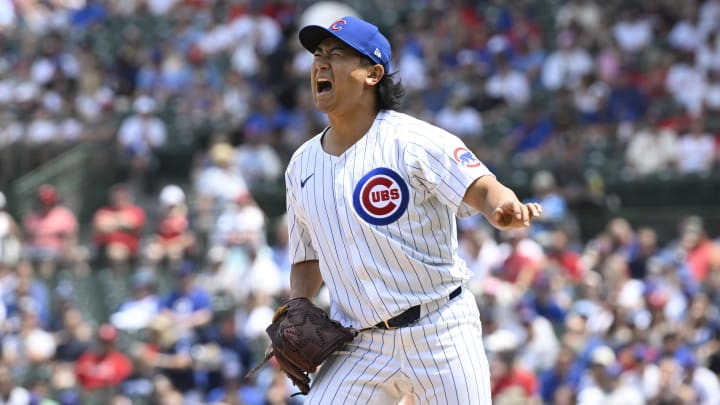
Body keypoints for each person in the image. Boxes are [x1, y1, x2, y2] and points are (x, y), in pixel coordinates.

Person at [281, 16, 542, 404]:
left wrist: (501, 206)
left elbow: (483, 187)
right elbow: (307, 257)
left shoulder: (414, 141)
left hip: (440, 328)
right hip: (359, 344)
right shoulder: (301, 165)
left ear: (373, 73)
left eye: (336, 55)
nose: (320, 63)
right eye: (317, 55)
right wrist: (298, 305)